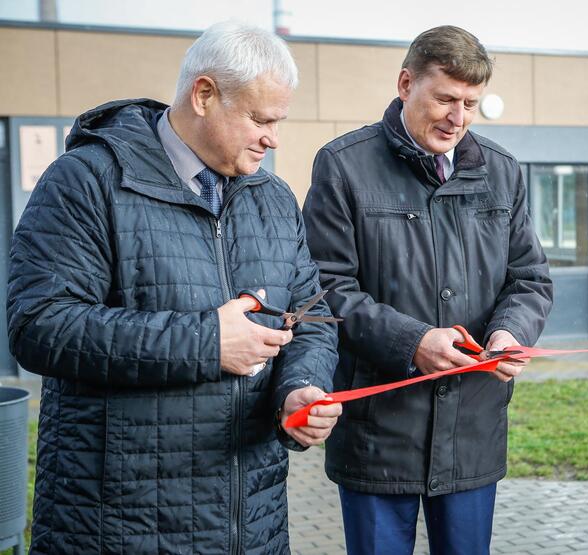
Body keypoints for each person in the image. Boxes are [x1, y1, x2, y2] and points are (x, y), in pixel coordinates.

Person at [6, 21, 341, 555]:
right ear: (204, 95)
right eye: (259, 118)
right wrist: (208, 341)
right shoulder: (86, 180)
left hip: (250, 525)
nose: (272, 137)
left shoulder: (274, 199)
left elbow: (310, 319)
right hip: (118, 526)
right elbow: (40, 326)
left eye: (278, 121)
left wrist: (298, 389)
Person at [302, 25, 553, 555]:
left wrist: (511, 332)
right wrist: (410, 341)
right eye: (444, 99)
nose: (457, 119)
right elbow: (323, 290)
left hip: (473, 427)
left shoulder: (502, 172)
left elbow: (529, 278)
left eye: (470, 104)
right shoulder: (343, 165)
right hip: (379, 434)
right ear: (405, 83)